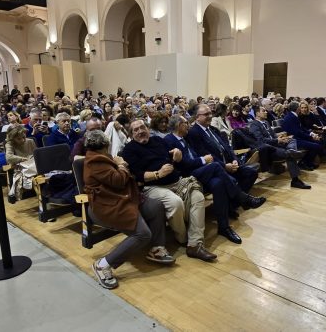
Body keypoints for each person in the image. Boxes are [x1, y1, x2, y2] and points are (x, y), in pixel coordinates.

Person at [83, 130, 175, 289]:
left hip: (122, 199)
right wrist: (121, 164)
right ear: (105, 145)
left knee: (156, 205)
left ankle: (157, 248)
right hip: (108, 205)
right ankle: (103, 265)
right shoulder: (95, 161)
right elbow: (118, 181)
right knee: (143, 234)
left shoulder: (100, 157)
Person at [122, 119, 217, 262]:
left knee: (198, 197)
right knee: (176, 203)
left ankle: (195, 244)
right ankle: (183, 238)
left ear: (148, 129)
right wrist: (158, 174)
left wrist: (177, 155)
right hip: (152, 186)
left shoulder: (158, 140)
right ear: (131, 135)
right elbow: (138, 176)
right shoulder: (129, 150)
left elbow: (173, 156)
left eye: (143, 127)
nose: (140, 131)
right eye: (136, 130)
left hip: (176, 181)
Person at [164, 115, 266, 244]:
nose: (189, 125)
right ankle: (242, 198)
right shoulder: (169, 140)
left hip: (198, 171)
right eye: (186, 123)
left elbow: (194, 157)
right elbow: (183, 164)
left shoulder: (184, 139)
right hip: (186, 177)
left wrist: (203, 161)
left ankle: (224, 227)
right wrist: (203, 160)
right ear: (179, 125)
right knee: (216, 166)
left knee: (218, 184)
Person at [187, 104, 258, 193]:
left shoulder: (213, 129)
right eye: (206, 114)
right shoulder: (194, 133)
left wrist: (234, 160)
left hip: (229, 164)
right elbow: (205, 154)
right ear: (197, 117)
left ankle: (237, 200)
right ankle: (240, 199)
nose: (210, 116)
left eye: (210, 113)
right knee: (231, 181)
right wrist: (225, 166)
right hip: (217, 168)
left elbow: (227, 147)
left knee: (251, 173)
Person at [248, 106, 312, 189]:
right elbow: (260, 140)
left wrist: (281, 139)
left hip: (276, 145)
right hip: (269, 149)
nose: (266, 112)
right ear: (257, 113)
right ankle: (295, 180)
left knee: (292, 140)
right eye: (263, 111)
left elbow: (273, 136)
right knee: (290, 154)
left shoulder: (266, 122)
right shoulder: (254, 125)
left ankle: (292, 150)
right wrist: (277, 140)